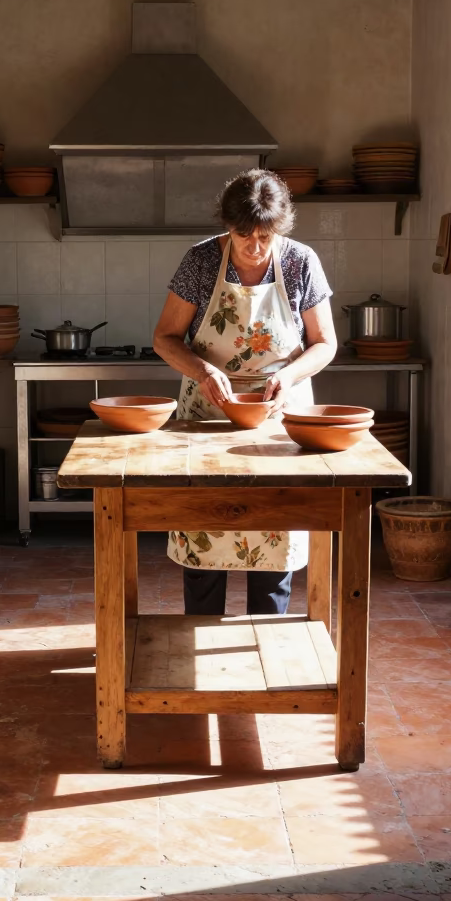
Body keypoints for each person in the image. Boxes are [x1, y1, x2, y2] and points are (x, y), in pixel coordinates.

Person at [152, 168, 337, 616]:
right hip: (207, 418)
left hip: (278, 421)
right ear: (226, 226)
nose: (255, 248)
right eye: (243, 235)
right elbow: (165, 338)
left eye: (265, 236)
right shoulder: (200, 262)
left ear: (281, 227)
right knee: (204, 533)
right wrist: (202, 371)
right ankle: (196, 641)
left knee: (273, 545)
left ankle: (265, 651)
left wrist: (289, 377)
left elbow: (325, 342)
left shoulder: (299, 262)